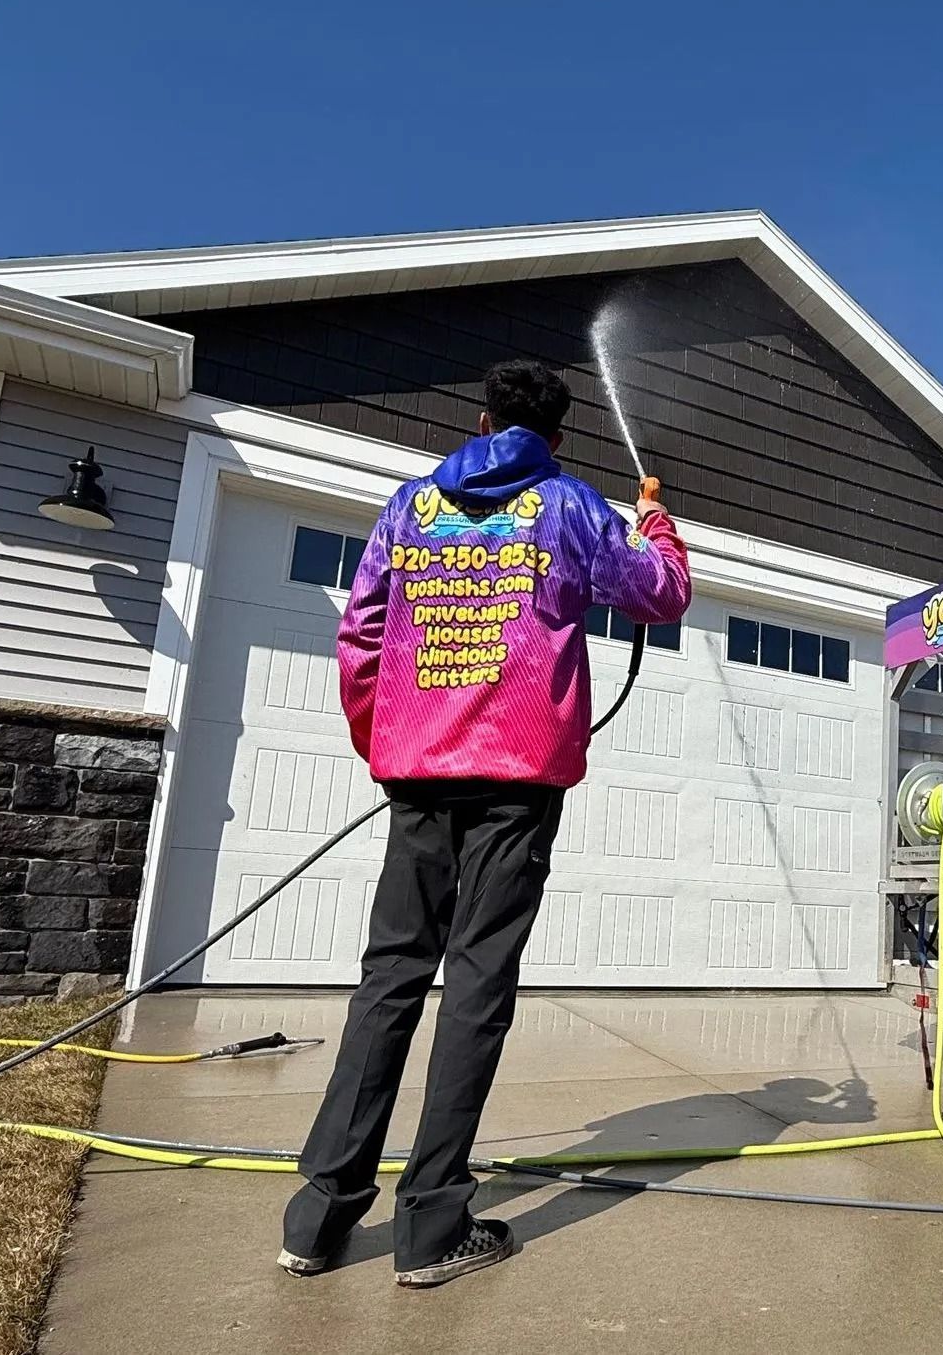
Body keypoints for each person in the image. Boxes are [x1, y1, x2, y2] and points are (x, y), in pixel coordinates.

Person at [279, 359, 691, 1288]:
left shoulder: (410, 506)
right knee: (475, 985)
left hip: (419, 774)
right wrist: (656, 520)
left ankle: (317, 1219)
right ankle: (430, 1229)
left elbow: (360, 635)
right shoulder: (570, 508)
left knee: (390, 979)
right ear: (557, 436)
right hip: (515, 781)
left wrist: (387, 741)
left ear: (480, 420)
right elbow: (661, 592)